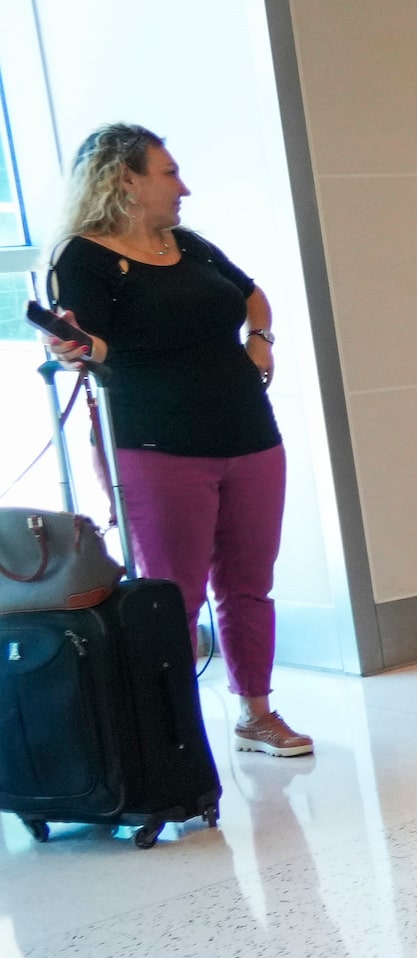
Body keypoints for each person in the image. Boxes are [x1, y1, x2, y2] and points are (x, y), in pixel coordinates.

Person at [44, 124, 309, 758]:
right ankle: (172, 736)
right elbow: (96, 344)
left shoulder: (187, 244)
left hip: (248, 433)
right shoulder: (81, 256)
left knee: (250, 584)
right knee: (173, 597)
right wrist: (71, 344)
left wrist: (259, 340)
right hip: (158, 444)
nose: (183, 187)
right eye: (168, 173)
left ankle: (256, 713)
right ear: (124, 180)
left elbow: (253, 297)